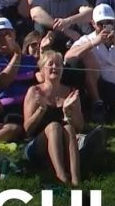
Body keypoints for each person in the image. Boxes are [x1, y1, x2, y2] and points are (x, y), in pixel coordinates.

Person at [66, 4, 115, 129]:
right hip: (98, 86)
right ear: (93, 23)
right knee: (87, 56)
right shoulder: (87, 39)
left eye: (109, 22)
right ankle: (97, 104)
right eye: (101, 23)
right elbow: (68, 57)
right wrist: (93, 43)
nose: (105, 27)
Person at [23, 50, 83, 187]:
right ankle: (61, 176)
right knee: (54, 126)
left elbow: (80, 126)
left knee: (68, 128)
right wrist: (41, 109)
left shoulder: (71, 92)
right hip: (36, 146)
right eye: (51, 64)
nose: (55, 67)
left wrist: (68, 113)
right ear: (43, 70)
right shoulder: (35, 91)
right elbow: (27, 129)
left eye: (58, 64)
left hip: (63, 144)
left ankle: (76, 179)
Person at [0, 18, 38, 126]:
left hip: (30, 107)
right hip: (5, 112)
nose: (3, 39)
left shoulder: (29, 59)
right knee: (13, 128)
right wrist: (17, 56)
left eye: (7, 34)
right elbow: (2, 82)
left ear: (14, 35)